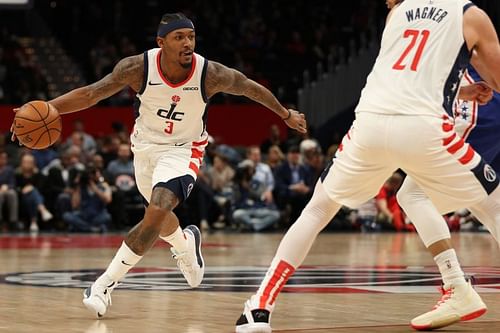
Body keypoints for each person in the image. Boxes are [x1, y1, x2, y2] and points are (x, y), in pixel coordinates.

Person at [11, 12, 307, 318]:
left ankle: (103, 284)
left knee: (157, 209)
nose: (187, 43)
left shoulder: (210, 74)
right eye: (179, 37)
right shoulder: (137, 68)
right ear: (161, 42)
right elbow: (91, 94)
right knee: (159, 219)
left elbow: (249, 87)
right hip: (145, 149)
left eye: (191, 37)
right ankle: (185, 243)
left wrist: (285, 114)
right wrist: (48, 109)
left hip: (185, 149)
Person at [235, 1, 500, 332]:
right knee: (493, 204)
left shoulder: (397, 14)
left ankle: (258, 308)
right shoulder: (470, 15)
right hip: (423, 127)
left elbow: (405, 74)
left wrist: (463, 87)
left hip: (370, 124)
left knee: (319, 209)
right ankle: (457, 286)